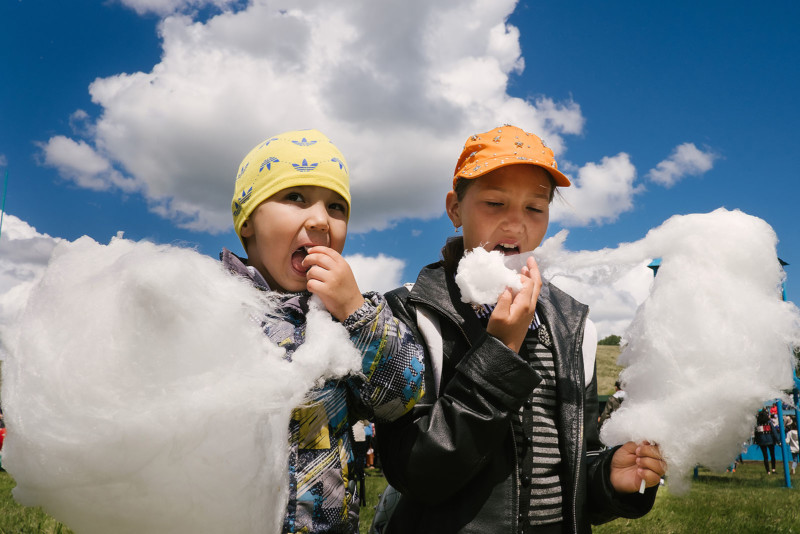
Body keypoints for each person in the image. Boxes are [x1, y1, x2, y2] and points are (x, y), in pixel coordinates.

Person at [375, 125, 666, 533]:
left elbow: (572, 468)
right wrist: (500, 350)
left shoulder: (574, 325)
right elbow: (417, 473)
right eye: (494, 203)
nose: (515, 222)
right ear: (455, 209)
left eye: (535, 208)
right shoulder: (410, 312)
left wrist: (608, 478)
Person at [223, 129, 425, 533]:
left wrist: (355, 312)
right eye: (295, 197)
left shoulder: (349, 317)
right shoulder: (210, 304)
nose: (319, 219)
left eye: (336, 207)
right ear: (247, 222)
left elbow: (401, 399)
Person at [755, 408, 777, 474]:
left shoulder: (758, 424)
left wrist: (757, 441)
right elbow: (774, 431)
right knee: (772, 455)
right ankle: (773, 469)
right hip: (770, 440)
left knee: (765, 457)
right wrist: (778, 440)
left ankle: (768, 471)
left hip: (762, 441)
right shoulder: (769, 422)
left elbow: (756, 433)